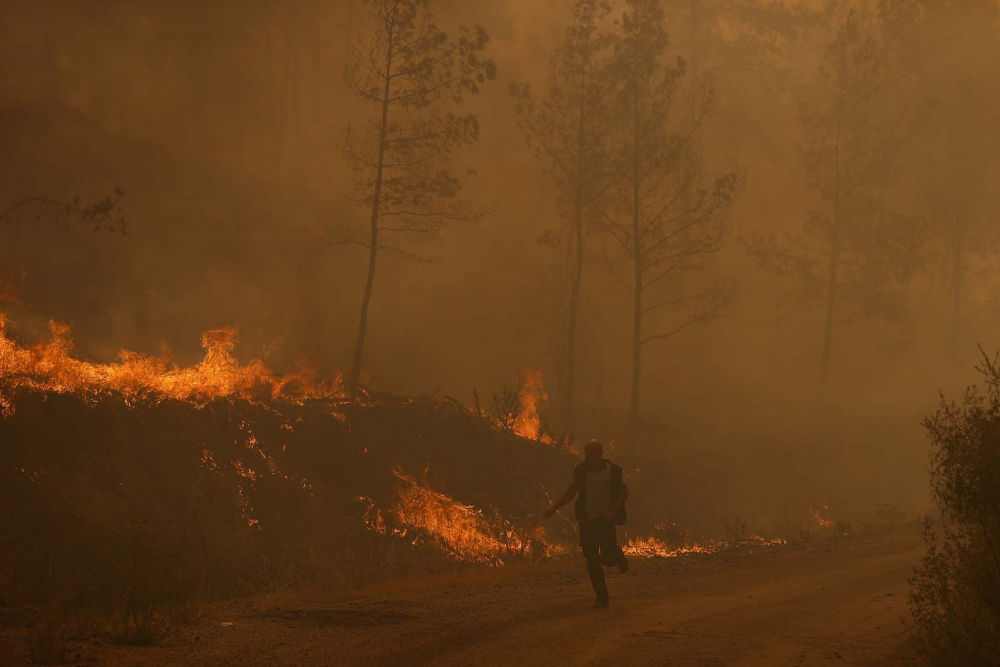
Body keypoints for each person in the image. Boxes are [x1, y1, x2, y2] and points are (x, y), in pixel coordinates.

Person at [543, 439, 629, 608]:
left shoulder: (612, 471)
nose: (590, 458)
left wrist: (612, 511)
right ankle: (602, 598)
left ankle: (616, 554)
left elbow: (624, 493)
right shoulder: (580, 471)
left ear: (601, 454)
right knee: (592, 561)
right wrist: (554, 508)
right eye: (587, 454)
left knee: (608, 559)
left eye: (594, 454)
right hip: (587, 522)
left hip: (605, 521)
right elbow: (571, 492)